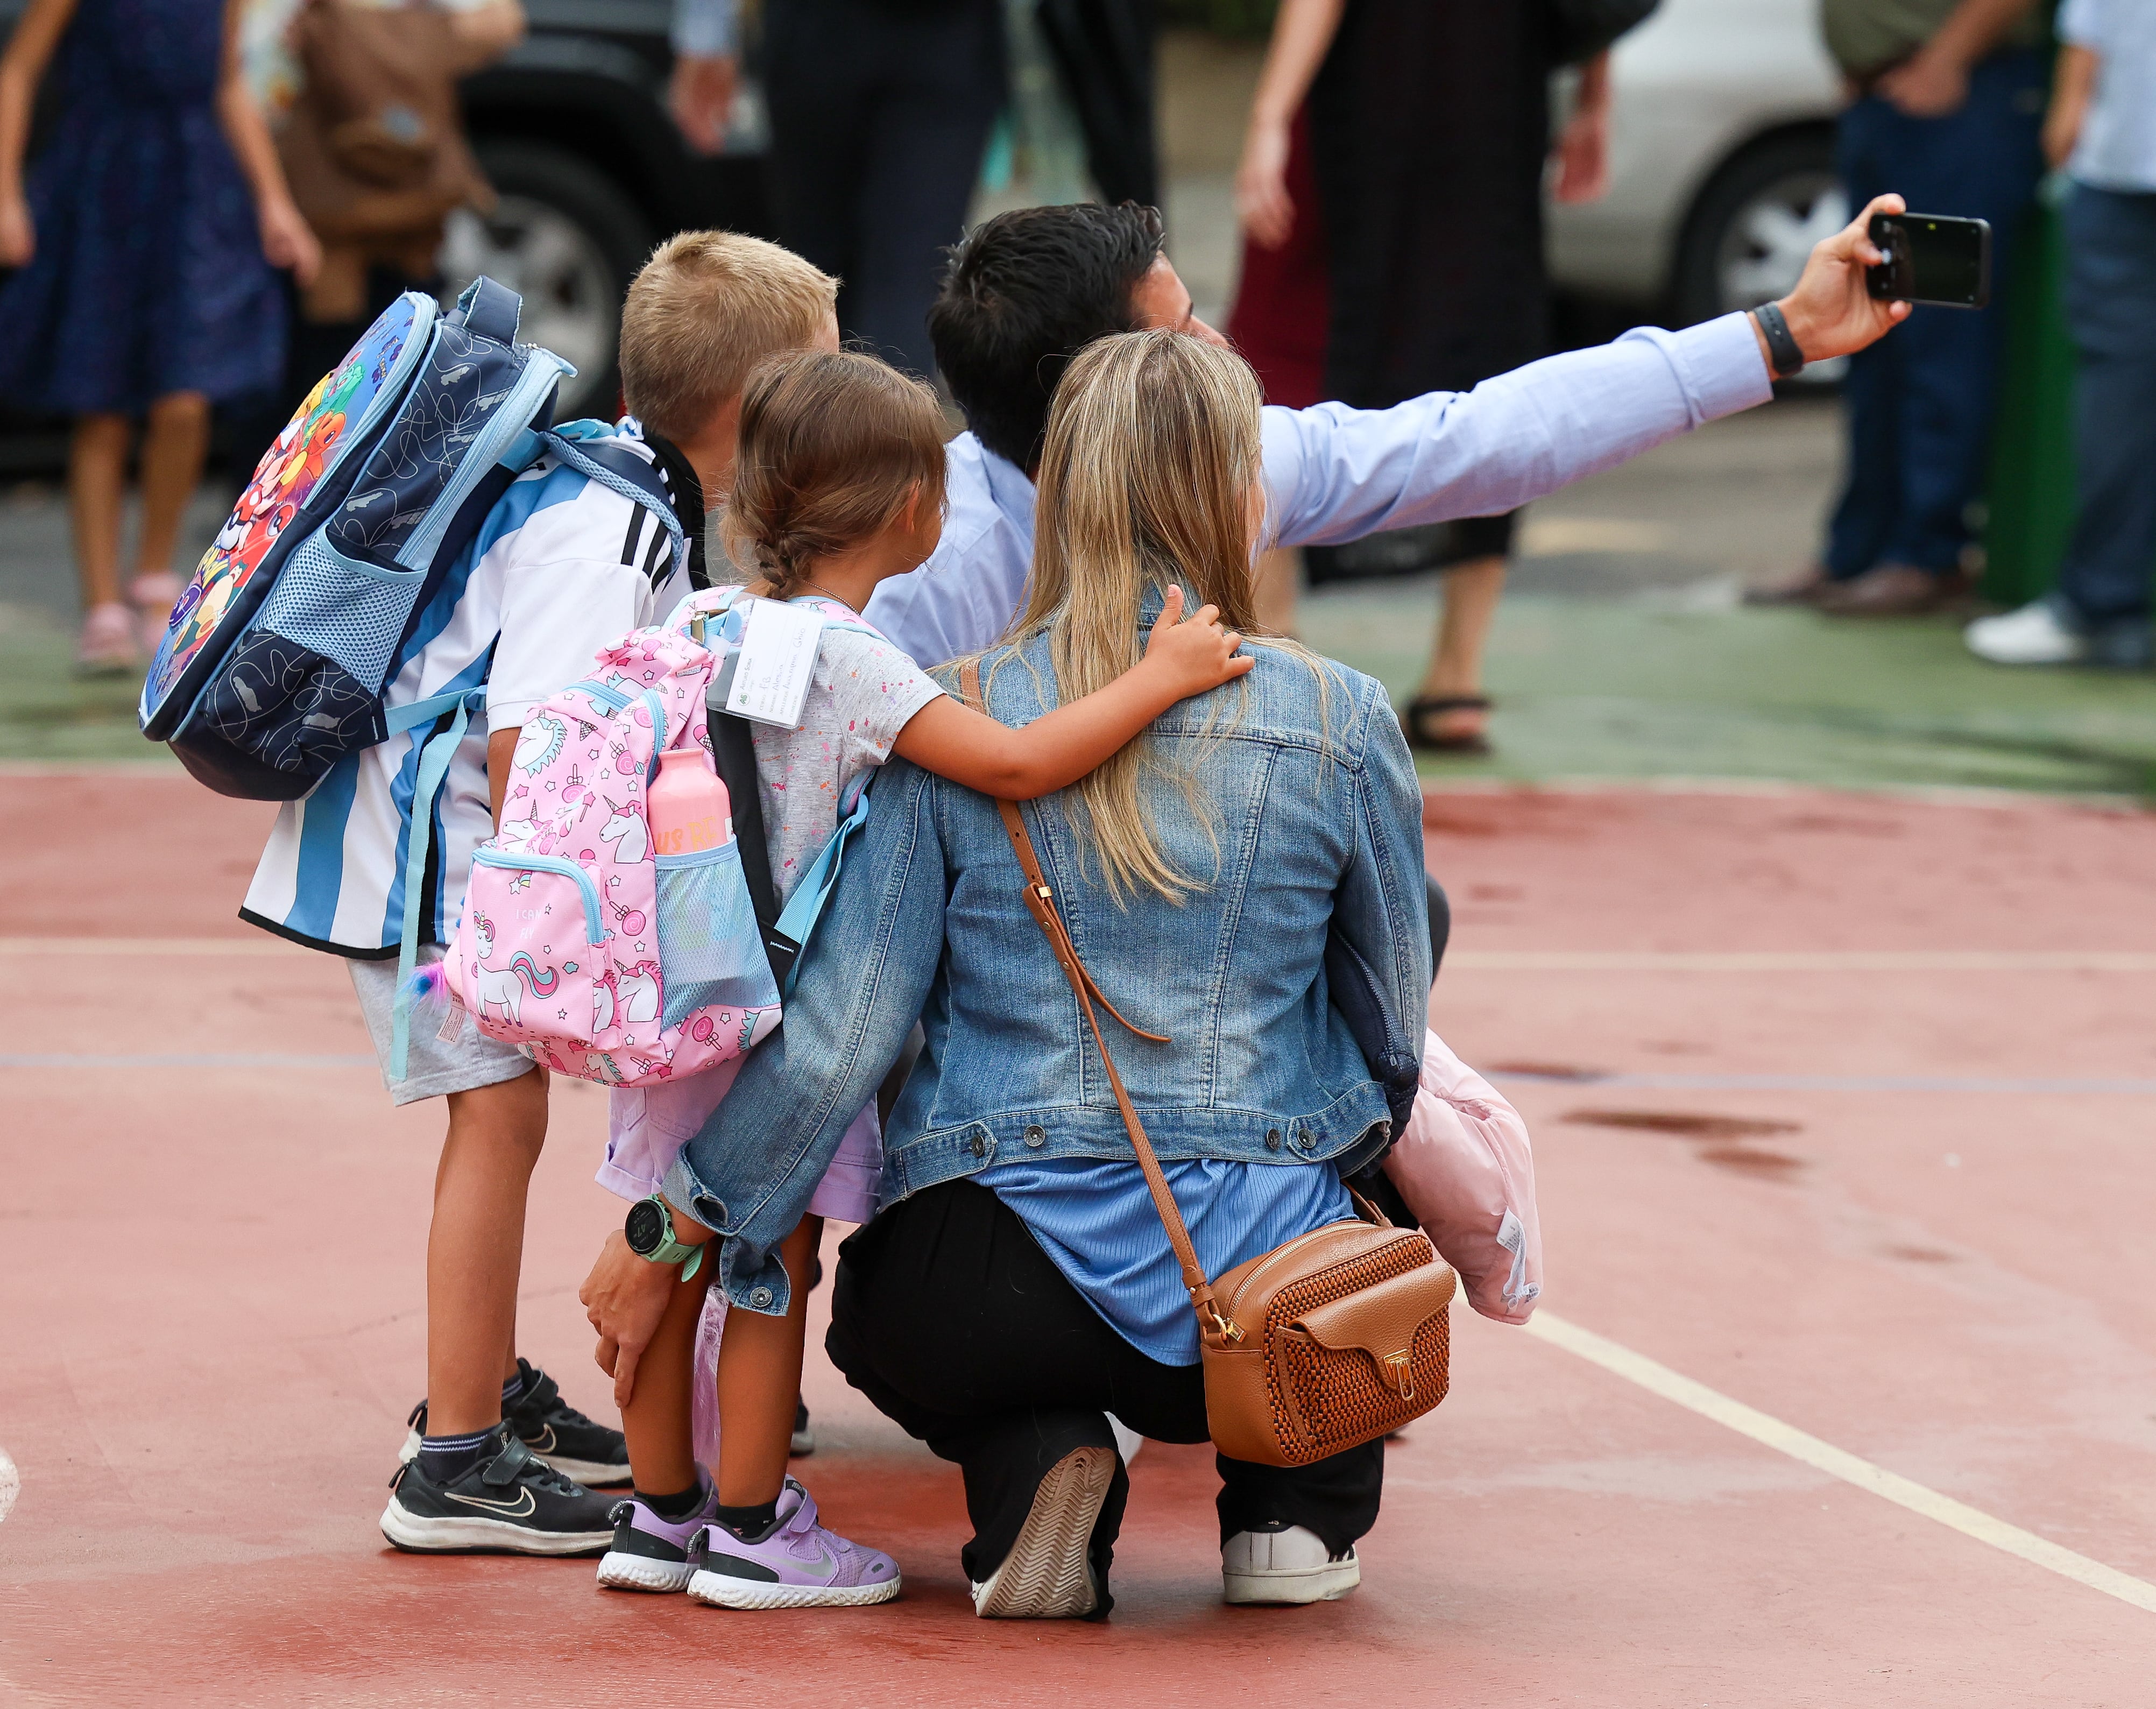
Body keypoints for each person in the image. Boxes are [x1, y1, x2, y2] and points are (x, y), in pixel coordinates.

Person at [584, 328, 1427, 1617]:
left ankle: (1031, 1461)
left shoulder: (954, 712)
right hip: (1266, 1292)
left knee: (888, 1310)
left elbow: (842, 1033)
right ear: (1236, 494)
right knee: (1335, 1247)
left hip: (993, 1279)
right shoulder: (1342, 714)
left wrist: (674, 1222)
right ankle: (1290, 1514)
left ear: (1059, 491)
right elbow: (1391, 1022)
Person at [237, 230, 842, 1555]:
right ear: (754, 411)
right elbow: (531, 747)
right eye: (823, 386)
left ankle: (485, 1385)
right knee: (497, 1118)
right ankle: (451, 1459)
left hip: (438, 846)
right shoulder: (612, 526)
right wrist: (581, 937)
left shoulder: (628, 490)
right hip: (430, 862)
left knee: (496, 1117)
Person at [856, 193, 1912, 681]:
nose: (1219, 345)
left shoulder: (1233, 462)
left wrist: (1779, 334)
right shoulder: (916, 577)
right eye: (1179, 332)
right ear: (1103, 385)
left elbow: (1488, 439)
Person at [1229, 0, 1616, 752]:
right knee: (1482, 357)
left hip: (1359, 120)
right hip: (1491, 120)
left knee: (1284, 354)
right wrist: (1594, 101)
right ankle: (1455, 676)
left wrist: (1268, 115)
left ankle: (1276, 651)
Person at [0, 0, 320, 672]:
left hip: (195, 192)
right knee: (104, 405)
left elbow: (226, 82)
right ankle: (101, 607)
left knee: (187, 395)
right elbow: (20, 69)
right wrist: (6, 193)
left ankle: (153, 579)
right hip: (101, 187)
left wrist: (274, 199)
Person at [1750, 0, 2045, 615]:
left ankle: (1928, 554)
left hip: (1957, 95)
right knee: (1871, 336)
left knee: (1937, 333)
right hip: (1887, 96)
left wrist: (1947, 57)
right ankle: (1856, 548)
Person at [1964, 0, 2156, 668]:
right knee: (2114, 403)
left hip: (2117, 174)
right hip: (2115, 174)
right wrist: (2069, 104)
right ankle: (2097, 604)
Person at [668, 0, 1003, 378]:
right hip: (944, 35)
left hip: (824, 32)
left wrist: (707, 34)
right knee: (905, 277)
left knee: (818, 272)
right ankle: (882, 428)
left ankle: (820, 423)